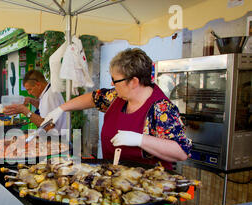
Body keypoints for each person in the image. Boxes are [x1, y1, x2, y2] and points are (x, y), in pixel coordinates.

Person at [41, 48, 192, 169]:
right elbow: (94, 98)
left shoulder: (161, 109)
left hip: (148, 188)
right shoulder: (117, 96)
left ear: (133, 82)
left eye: (115, 80)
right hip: (114, 176)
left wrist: (140, 140)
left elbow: (181, 152)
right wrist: (61, 108)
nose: (112, 84)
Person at [3, 70, 69, 133]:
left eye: (30, 90)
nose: (29, 93)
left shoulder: (50, 96)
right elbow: (44, 107)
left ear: (38, 85)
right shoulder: (48, 91)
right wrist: (30, 100)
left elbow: (48, 127)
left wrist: (24, 111)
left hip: (56, 139)